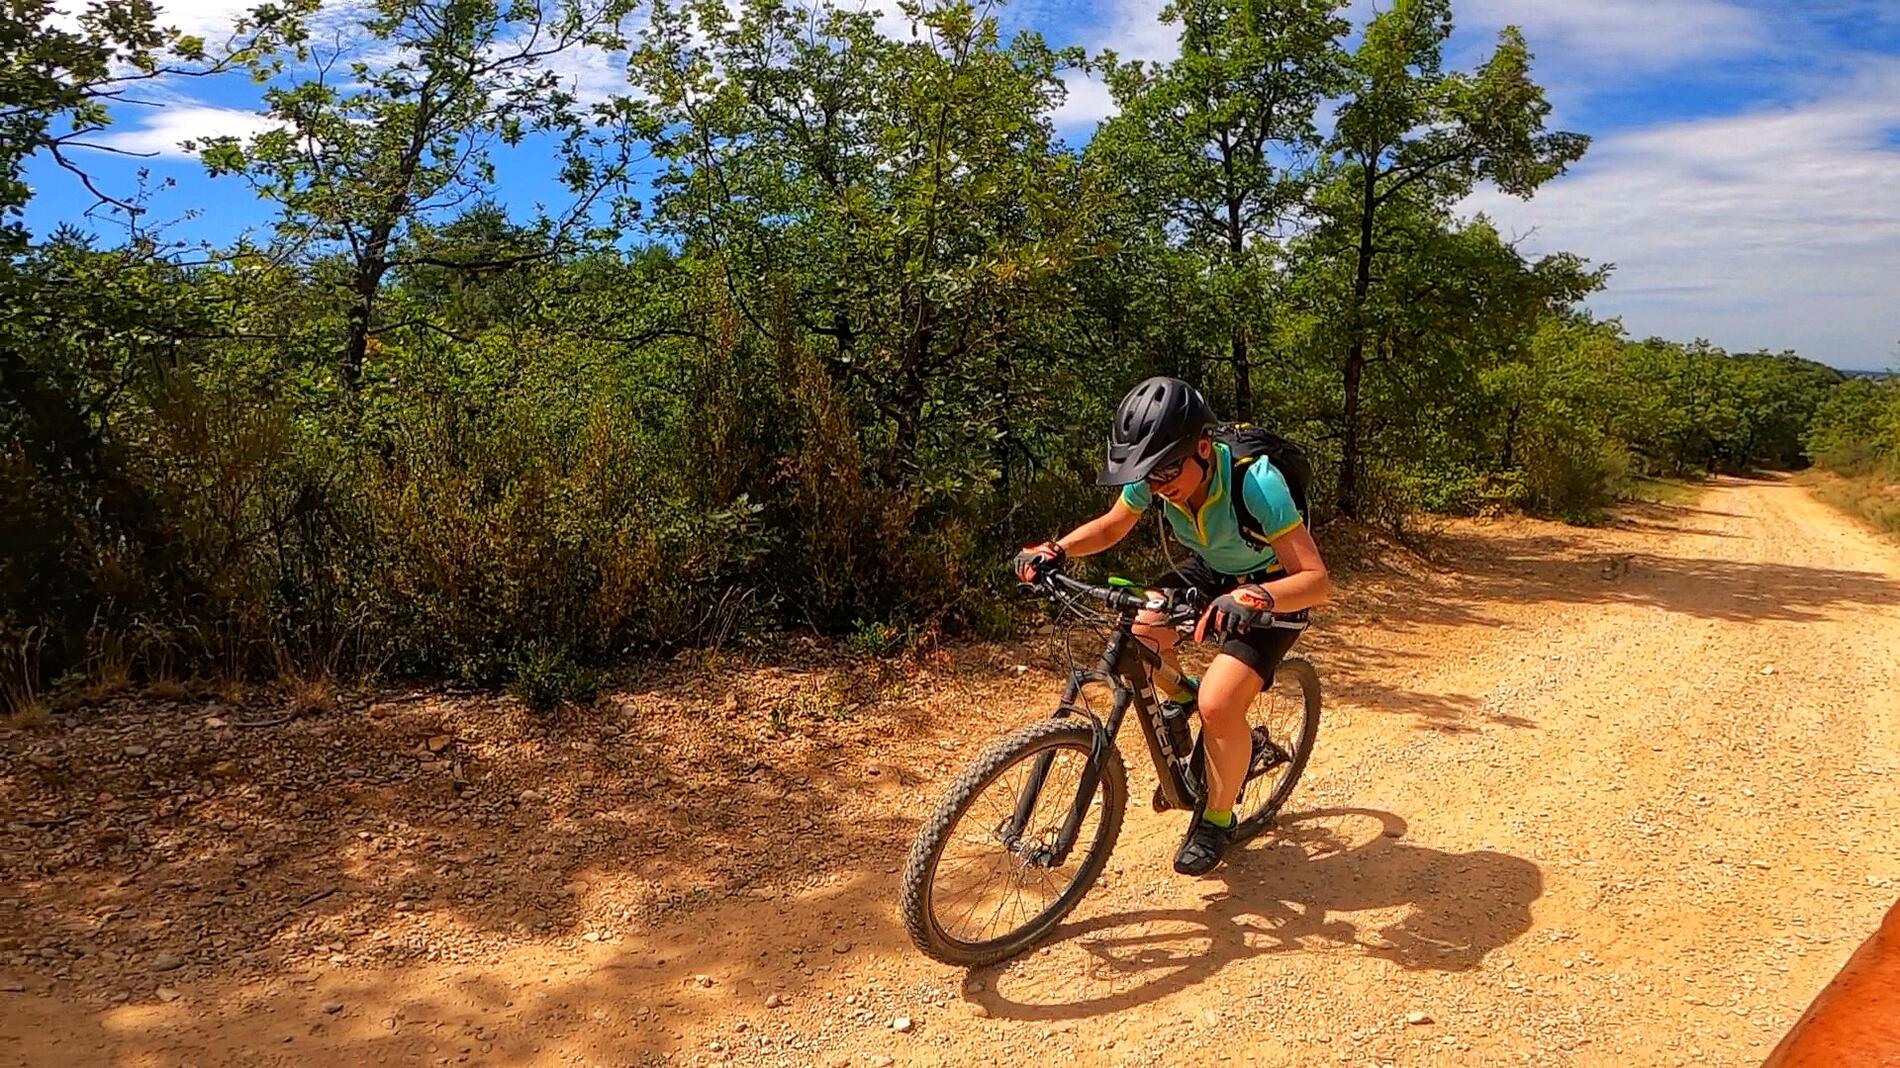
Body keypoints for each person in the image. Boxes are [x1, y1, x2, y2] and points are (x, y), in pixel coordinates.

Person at [1013, 376, 1332, 876]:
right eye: (1148, 474)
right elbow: (1113, 524)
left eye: (1166, 470)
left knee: (1220, 703)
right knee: (1142, 633)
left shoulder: (1257, 482)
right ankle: (1185, 697)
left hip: (1274, 585)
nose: (1158, 485)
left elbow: (1315, 579)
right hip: (1213, 570)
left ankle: (1216, 818)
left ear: (1203, 448)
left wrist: (1256, 596)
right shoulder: (1157, 472)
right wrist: (1058, 549)